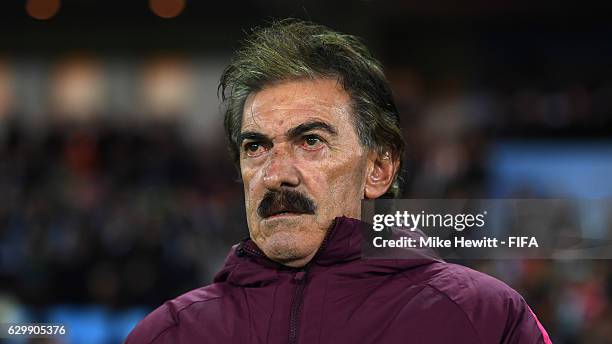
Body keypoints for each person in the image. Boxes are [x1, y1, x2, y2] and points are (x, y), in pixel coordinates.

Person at [125, 19, 552, 343]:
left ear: (378, 169)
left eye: (310, 141)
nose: (276, 174)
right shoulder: (168, 333)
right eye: (256, 147)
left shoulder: (483, 318)